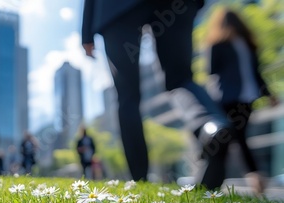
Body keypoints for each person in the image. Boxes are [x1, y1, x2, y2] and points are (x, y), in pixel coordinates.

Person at [82, 0, 231, 189]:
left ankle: (140, 181)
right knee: (181, 78)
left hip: (115, 8)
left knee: (128, 96)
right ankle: (211, 125)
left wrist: (86, 32)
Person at [205, 8, 279, 194]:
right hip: (234, 99)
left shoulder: (229, 44)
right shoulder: (232, 45)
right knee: (235, 138)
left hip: (238, 100)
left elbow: (255, 73)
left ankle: (220, 182)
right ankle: (254, 178)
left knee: (234, 139)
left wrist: (269, 94)